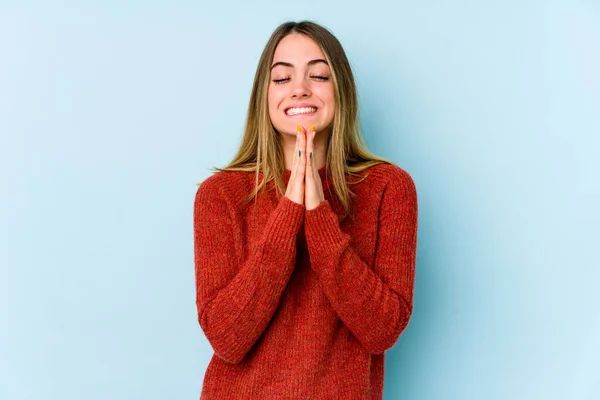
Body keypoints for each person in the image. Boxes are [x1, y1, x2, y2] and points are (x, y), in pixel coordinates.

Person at [193, 20, 418, 399]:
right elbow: (227, 338)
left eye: (319, 75)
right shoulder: (221, 194)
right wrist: (289, 212)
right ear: (263, 97)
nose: (300, 88)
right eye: (281, 78)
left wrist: (319, 214)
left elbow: (381, 331)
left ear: (340, 90)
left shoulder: (388, 188)